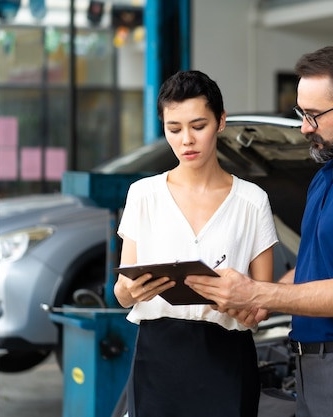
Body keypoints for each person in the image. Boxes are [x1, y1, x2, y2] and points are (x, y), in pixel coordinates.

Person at [186, 45, 333, 417]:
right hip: (311, 370)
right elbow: (316, 269)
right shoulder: (327, 176)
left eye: (314, 115)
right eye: (301, 113)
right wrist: (264, 299)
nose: (304, 127)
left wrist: (255, 291)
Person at [113, 70, 278, 417]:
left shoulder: (252, 201)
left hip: (226, 359)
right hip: (156, 357)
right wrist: (132, 291)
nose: (186, 139)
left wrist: (240, 305)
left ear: (220, 122)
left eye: (198, 126)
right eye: (174, 129)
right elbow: (122, 291)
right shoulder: (143, 194)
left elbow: (261, 304)